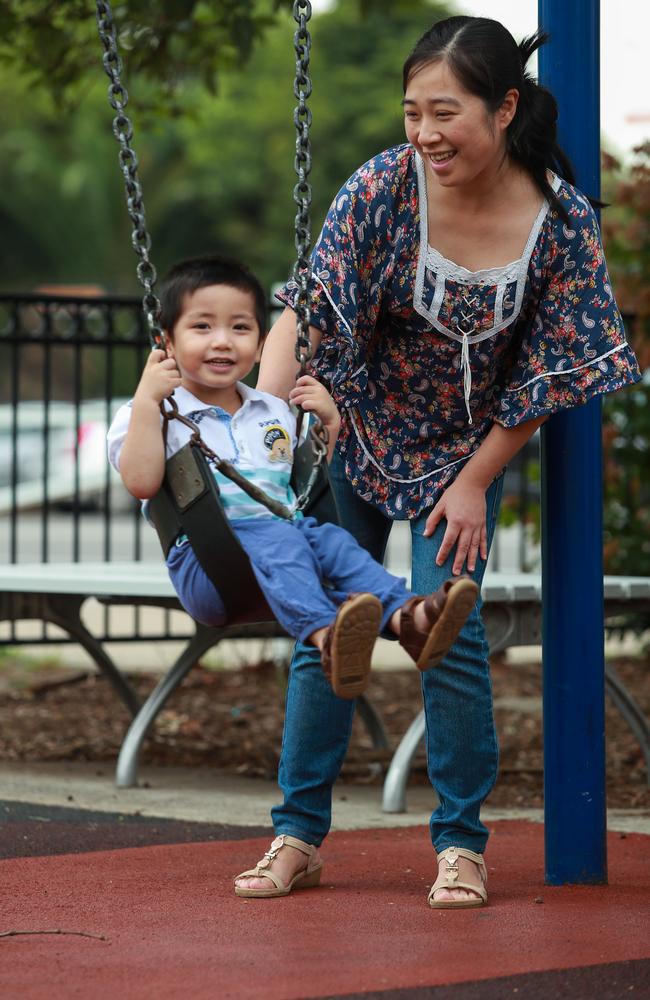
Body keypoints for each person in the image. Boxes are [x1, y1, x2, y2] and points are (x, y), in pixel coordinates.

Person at [237, 15, 642, 907]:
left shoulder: (559, 220)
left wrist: (472, 484)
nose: (423, 133)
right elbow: (304, 314)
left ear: (504, 108)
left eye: (444, 111)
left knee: (445, 638)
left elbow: (551, 374)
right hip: (355, 427)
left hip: (463, 453)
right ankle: (296, 835)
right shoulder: (386, 185)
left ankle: (461, 845)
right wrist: (266, 442)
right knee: (328, 632)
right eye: (412, 110)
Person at [107, 253, 479, 714]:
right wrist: (146, 401)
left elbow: (306, 478)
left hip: (284, 547)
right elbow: (141, 483)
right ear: (166, 342)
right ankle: (328, 638)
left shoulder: (272, 410)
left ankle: (409, 620)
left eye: (240, 328)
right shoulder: (153, 413)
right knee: (285, 537)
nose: (222, 342)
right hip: (208, 564)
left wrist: (330, 421)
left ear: (261, 346)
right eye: (202, 327)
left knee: (334, 543)